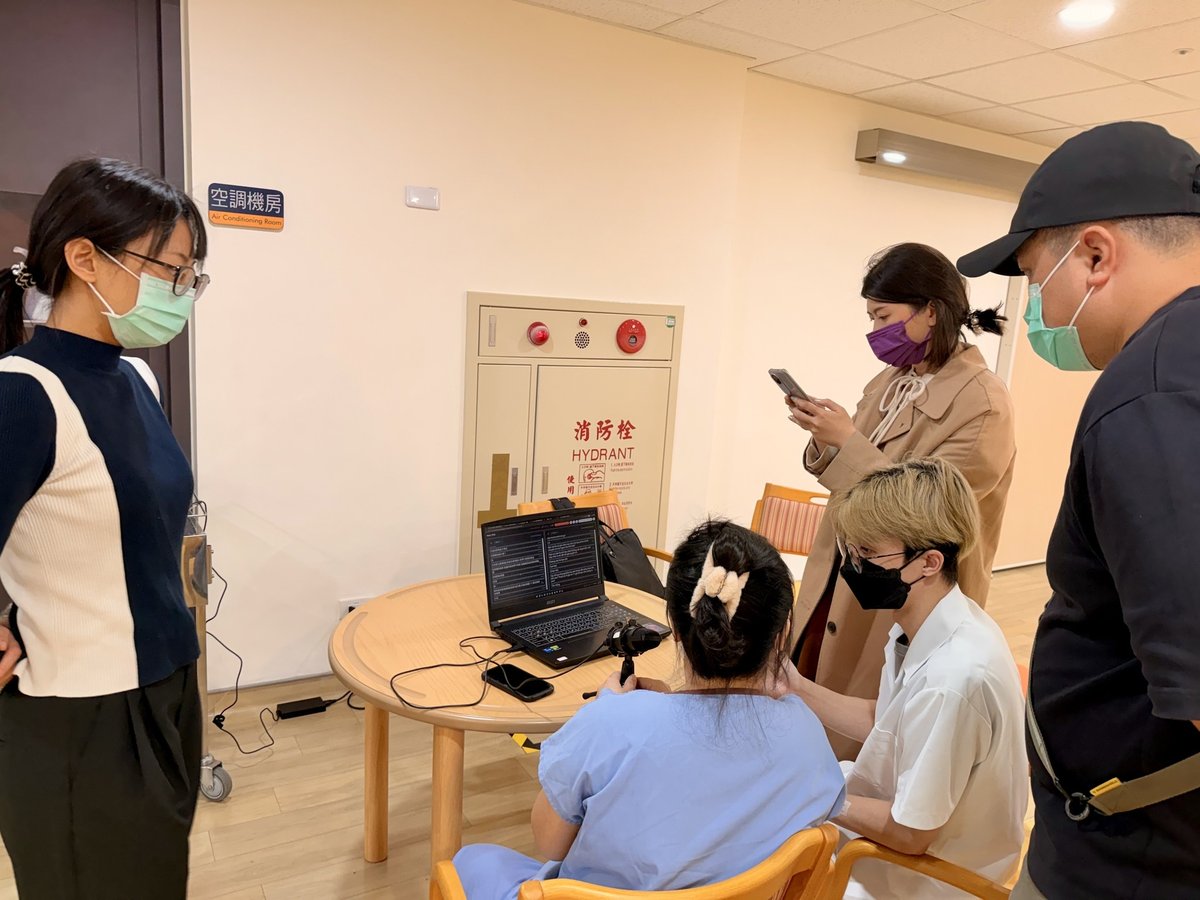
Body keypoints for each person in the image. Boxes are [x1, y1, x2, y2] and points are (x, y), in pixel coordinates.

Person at [958, 121, 1200, 899]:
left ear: (1095, 255)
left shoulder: (1153, 393)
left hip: (1131, 863)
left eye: (1036, 277)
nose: (1037, 308)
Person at [0, 157, 211, 899]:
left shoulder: (137, 376)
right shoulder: (23, 393)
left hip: (167, 682)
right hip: (79, 713)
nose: (180, 291)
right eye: (171, 270)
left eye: (191, 275)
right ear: (85, 258)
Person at [453, 520, 846, 898]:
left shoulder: (611, 724)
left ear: (675, 626)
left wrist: (609, 714)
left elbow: (549, 841)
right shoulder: (806, 736)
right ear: (781, 634)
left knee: (470, 862)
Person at [785, 242, 1015, 756]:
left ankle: (853, 803)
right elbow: (854, 467)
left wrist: (847, 441)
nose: (875, 331)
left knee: (879, 726)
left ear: (930, 310)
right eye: (871, 317)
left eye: (883, 316)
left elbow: (931, 511)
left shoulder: (982, 402)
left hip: (906, 587)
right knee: (819, 693)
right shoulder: (892, 383)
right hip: (844, 571)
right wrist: (826, 434)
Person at [779, 457, 1026, 898]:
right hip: (901, 838)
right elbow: (887, 720)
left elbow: (911, 833)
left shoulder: (953, 679)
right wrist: (792, 685)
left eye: (868, 553)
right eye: (852, 551)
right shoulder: (926, 624)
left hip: (927, 878)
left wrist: (815, 792)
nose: (855, 565)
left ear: (928, 561)